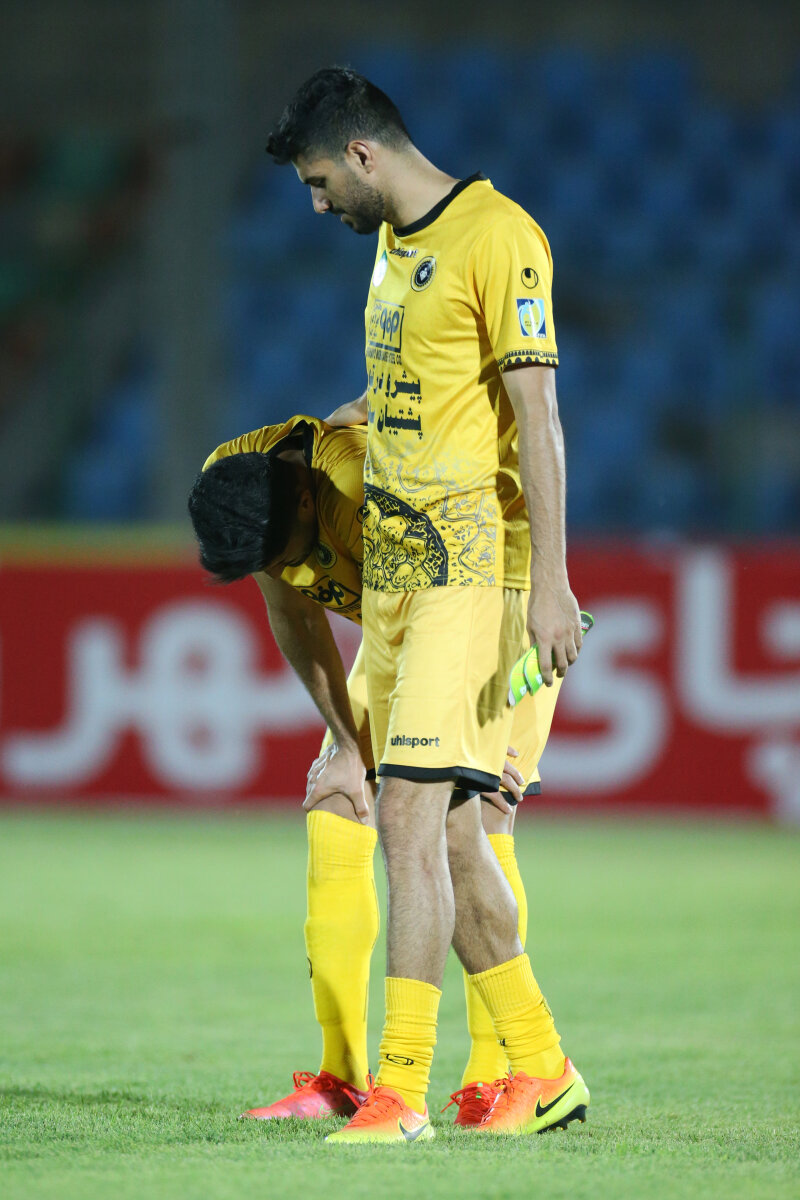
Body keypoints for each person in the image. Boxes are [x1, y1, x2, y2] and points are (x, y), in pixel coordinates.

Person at [263, 66, 589, 1144]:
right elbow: (420, 390)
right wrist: (340, 427)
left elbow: (536, 416)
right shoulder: (393, 247)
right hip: (397, 581)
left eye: (321, 183)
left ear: (363, 155)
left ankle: (398, 1093)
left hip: (467, 568)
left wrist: (550, 581)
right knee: (426, 825)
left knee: (412, 811)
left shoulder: (501, 237)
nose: (319, 205)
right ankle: (541, 1066)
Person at [188, 413, 564, 1127]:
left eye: (285, 554)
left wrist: (479, 736)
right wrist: (346, 744)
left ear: (307, 501)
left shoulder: (369, 493)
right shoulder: (242, 487)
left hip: (495, 607)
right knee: (339, 802)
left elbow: (465, 587)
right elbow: (297, 617)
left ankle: (497, 1075)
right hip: (407, 631)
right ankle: (342, 1076)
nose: (282, 571)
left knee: (474, 813)